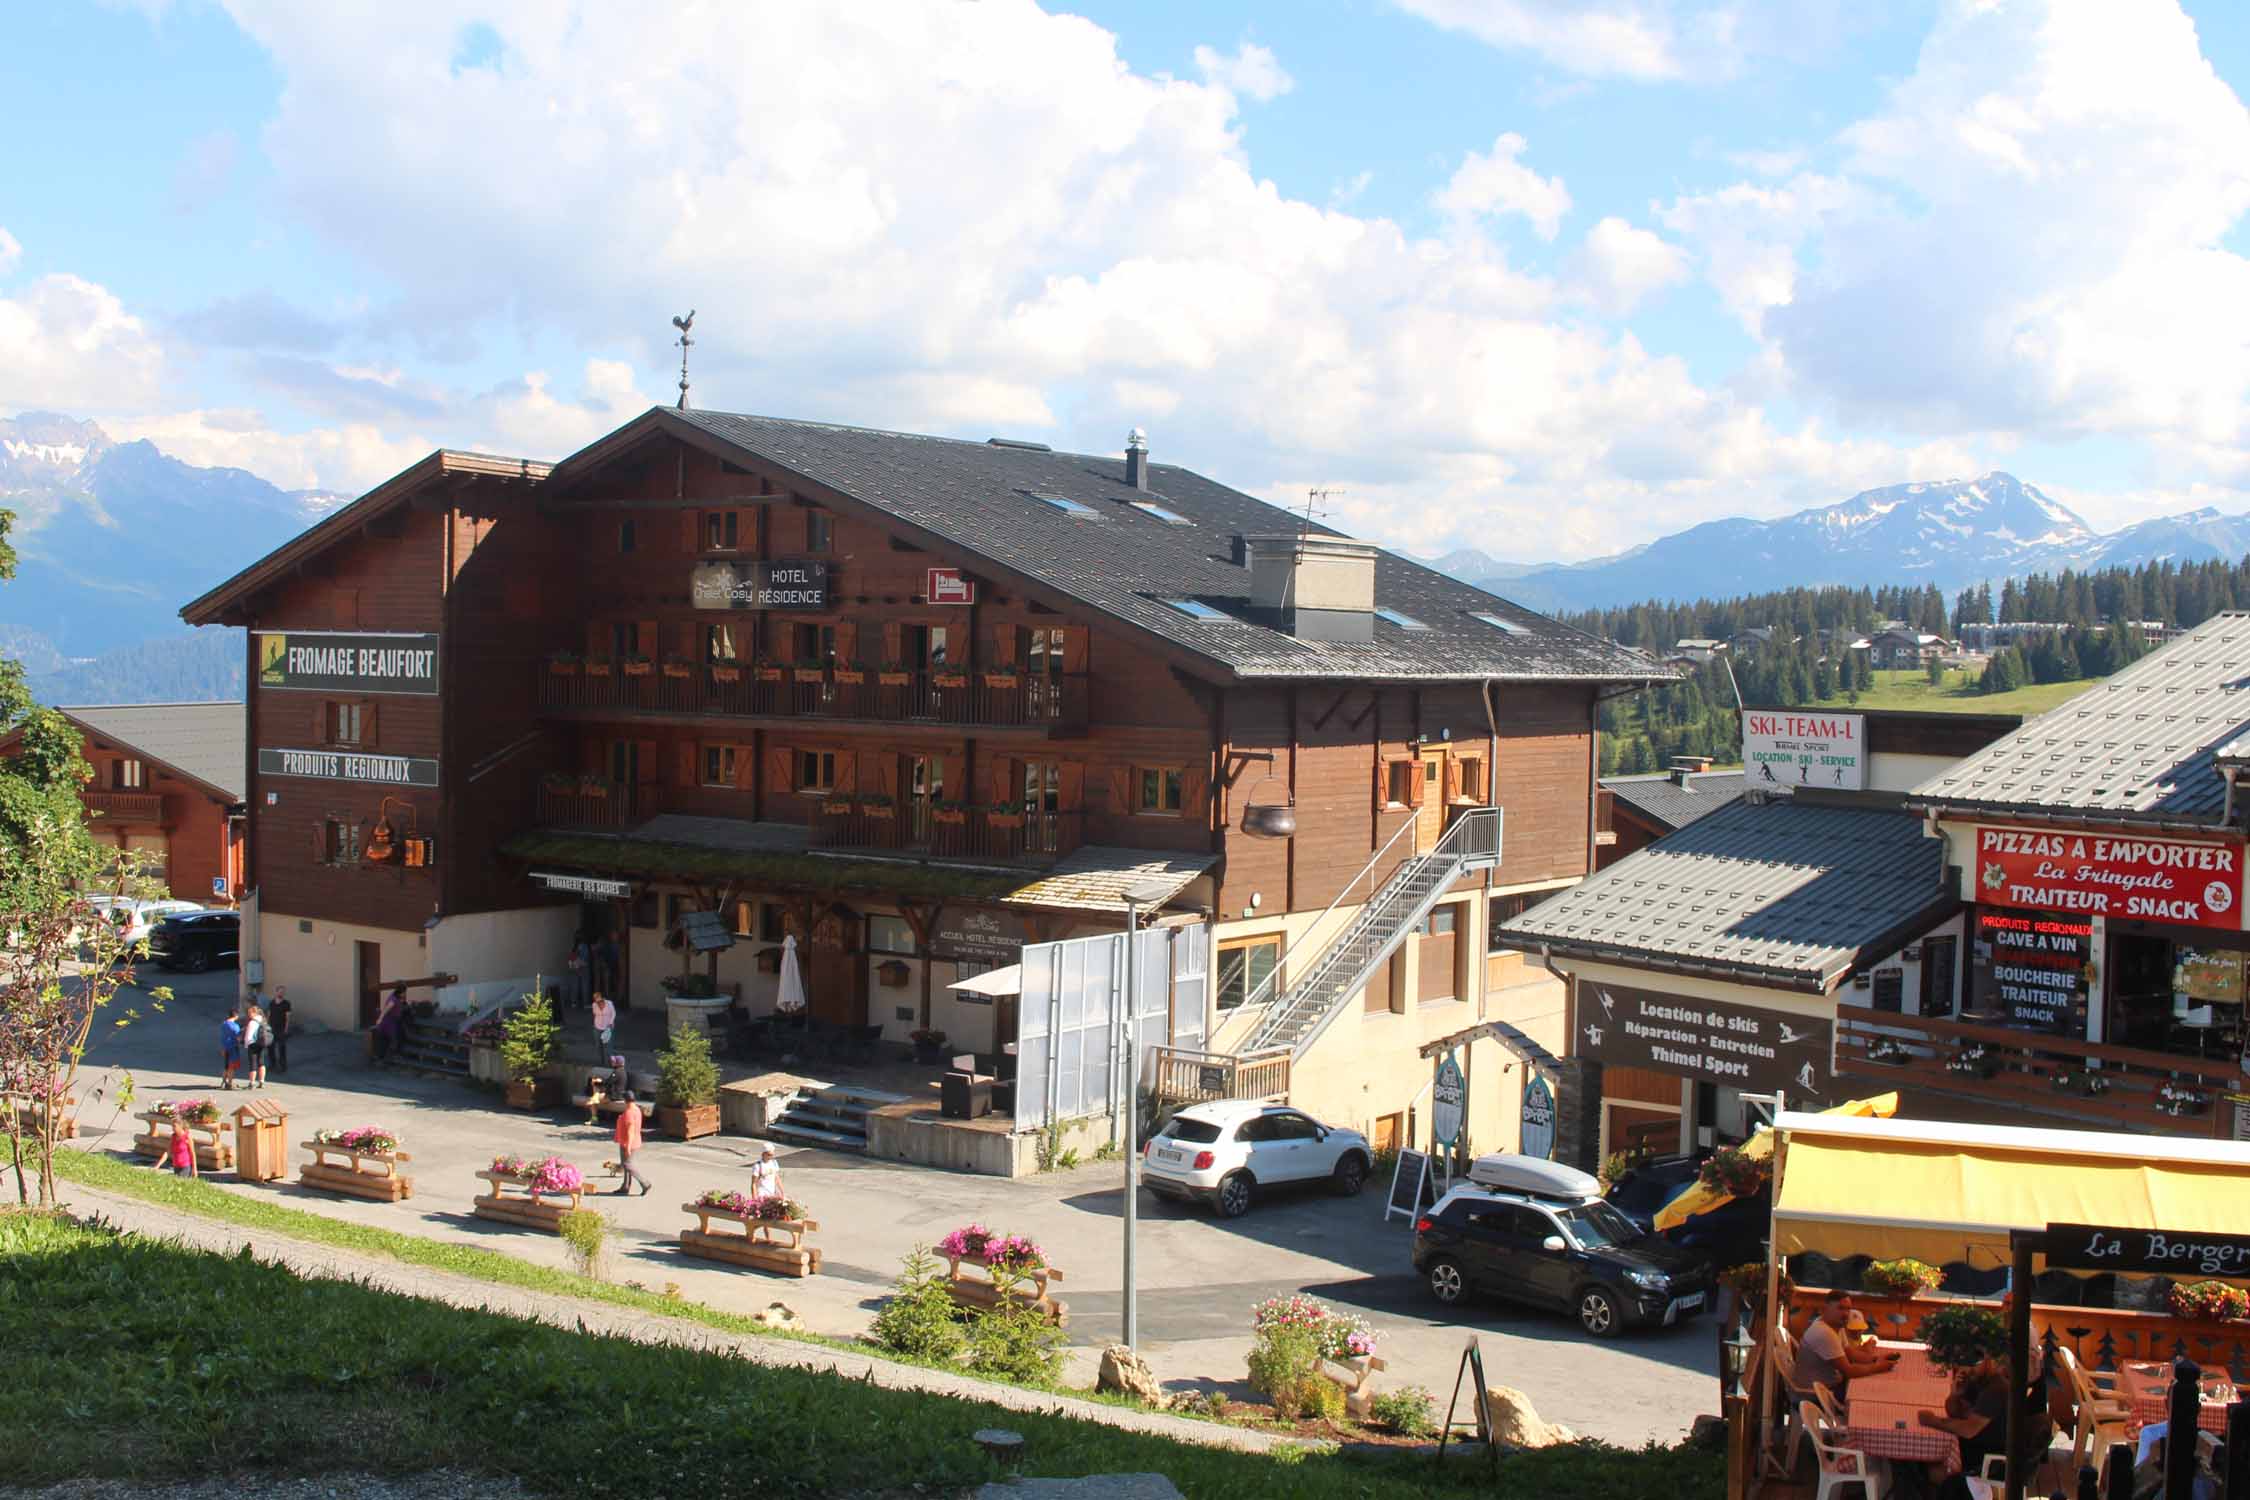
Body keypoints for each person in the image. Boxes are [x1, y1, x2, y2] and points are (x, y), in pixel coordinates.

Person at [1794, 1291, 1900, 1396]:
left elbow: (1851, 1354)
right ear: (1825, 1308)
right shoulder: (1824, 1333)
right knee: (1878, 1392)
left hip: (1830, 1385)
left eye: (1848, 1309)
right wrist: (1878, 1367)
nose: (1845, 1314)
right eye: (1840, 1308)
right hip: (1816, 1394)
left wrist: (1876, 1359)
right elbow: (1849, 1371)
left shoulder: (1835, 1325)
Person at [613, 1090, 651, 1196]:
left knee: (627, 1165)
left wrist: (628, 1146)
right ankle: (625, 1187)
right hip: (633, 1141)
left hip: (628, 1142)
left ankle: (645, 1183)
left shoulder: (629, 1112)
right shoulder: (636, 1109)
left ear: (625, 1100)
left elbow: (631, 1129)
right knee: (626, 1165)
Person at [242, 1003, 270, 1089]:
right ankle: (261, 1081)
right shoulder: (263, 1020)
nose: (249, 1015)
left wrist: (246, 1044)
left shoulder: (252, 1022)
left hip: (253, 1044)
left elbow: (248, 1035)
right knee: (261, 1062)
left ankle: (252, 1083)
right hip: (261, 1043)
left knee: (253, 1064)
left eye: (250, 1013)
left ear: (254, 1013)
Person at [268, 986, 292, 1074]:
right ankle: (272, 1064)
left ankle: (283, 1066)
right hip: (272, 1028)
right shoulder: (272, 1003)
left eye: (283, 992)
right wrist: (267, 1026)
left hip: (281, 1029)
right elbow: (269, 1015)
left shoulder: (286, 1003)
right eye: (280, 991)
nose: (281, 993)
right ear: (276, 992)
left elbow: (288, 1017)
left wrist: (286, 1029)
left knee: (282, 1048)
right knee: (270, 1047)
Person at [219, 1012, 243, 1090]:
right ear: (235, 1016)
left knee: (226, 1066)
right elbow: (238, 1037)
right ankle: (229, 1083)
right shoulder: (235, 1026)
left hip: (225, 1047)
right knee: (231, 1067)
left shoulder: (223, 1024)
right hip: (233, 1047)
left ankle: (223, 1082)